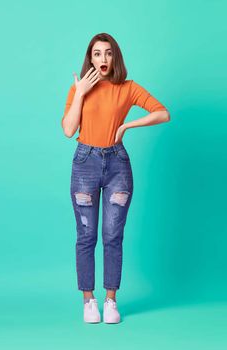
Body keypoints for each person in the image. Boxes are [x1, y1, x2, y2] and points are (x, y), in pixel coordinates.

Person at [61, 33, 170, 324]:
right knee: (86, 236)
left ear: (115, 56)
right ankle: (88, 301)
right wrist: (80, 92)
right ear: (90, 58)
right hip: (85, 163)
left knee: (113, 236)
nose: (103, 59)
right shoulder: (80, 88)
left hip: (117, 165)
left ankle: (111, 301)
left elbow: (163, 113)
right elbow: (69, 130)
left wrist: (128, 125)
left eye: (108, 53)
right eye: (97, 54)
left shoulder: (128, 88)